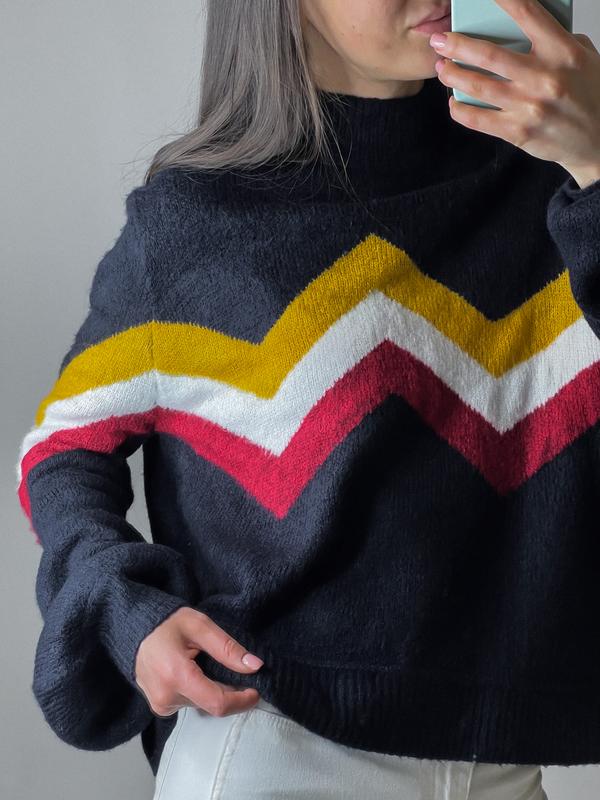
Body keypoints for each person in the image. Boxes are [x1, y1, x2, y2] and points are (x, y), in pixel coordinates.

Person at [15, 0, 600, 798]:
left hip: (506, 764)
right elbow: (63, 450)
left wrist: (595, 162)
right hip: (277, 746)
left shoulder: (563, 190)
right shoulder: (194, 225)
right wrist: (122, 605)